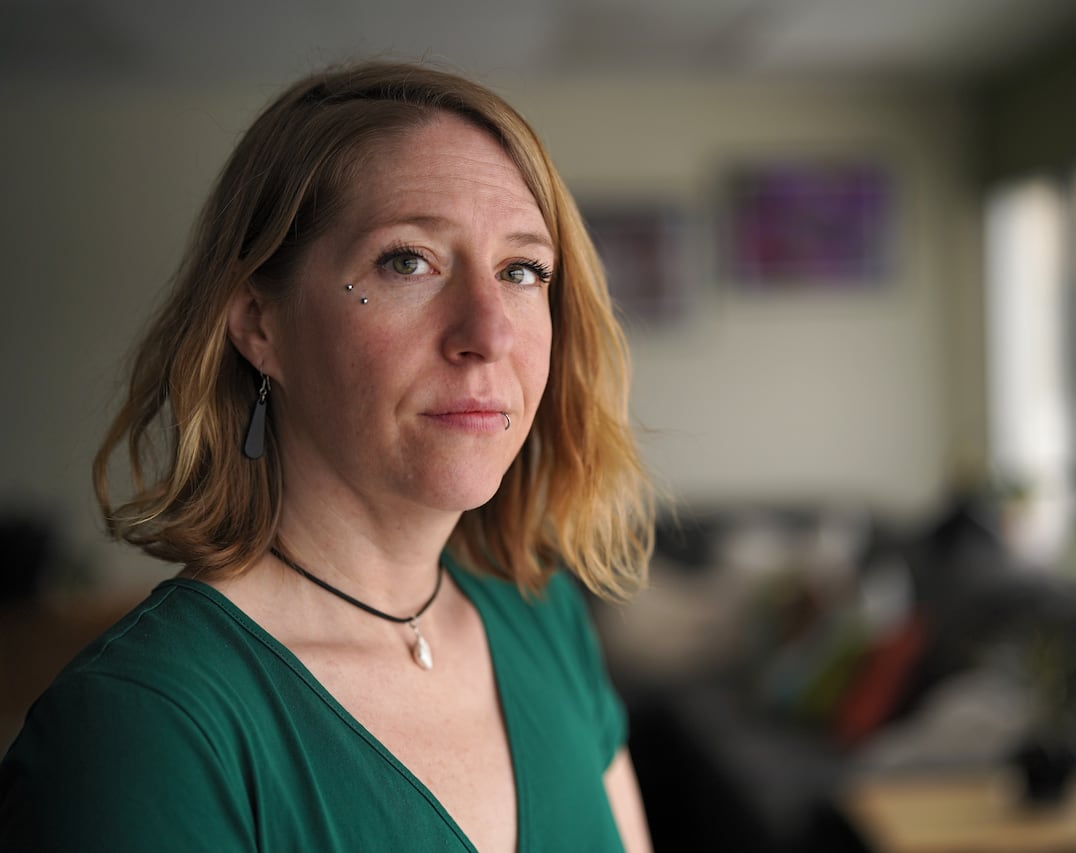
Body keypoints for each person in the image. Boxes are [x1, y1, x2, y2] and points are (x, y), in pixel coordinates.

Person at [0, 60, 655, 852]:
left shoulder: (543, 616)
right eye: (408, 260)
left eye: (522, 270)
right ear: (259, 323)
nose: (490, 333)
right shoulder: (141, 725)